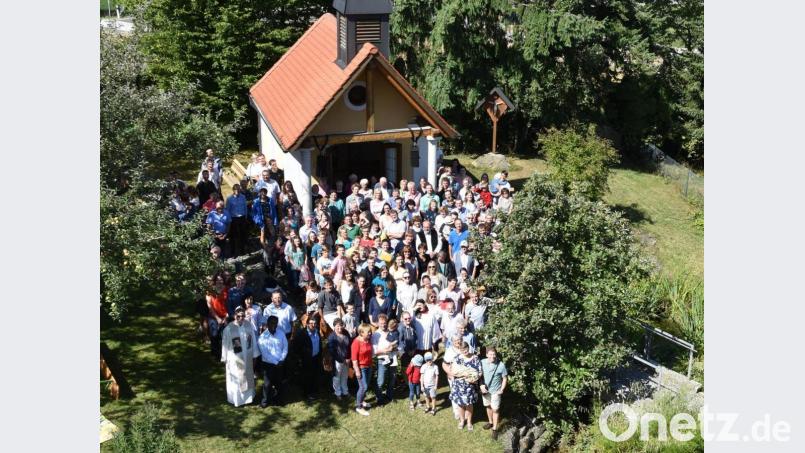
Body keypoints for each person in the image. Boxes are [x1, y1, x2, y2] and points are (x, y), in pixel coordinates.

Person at [221, 306, 261, 407]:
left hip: (247, 357)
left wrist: (255, 354)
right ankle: (237, 400)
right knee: (236, 379)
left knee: (247, 376)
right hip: (234, 359)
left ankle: (248, 399)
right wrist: (224, 358)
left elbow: (253, 342)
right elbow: (224, 344)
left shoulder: (249, 326)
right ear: (234, 316)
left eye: (243, 316)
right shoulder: (228, 329)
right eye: (238, 316)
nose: (241, 318)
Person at [446, 341, 482, 430]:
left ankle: (469, 422)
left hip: (470, 385)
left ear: (468, 348)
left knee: (469, 404)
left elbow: (479, 372)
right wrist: (465, 373)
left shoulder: (475, 358)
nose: (464, 351)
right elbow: (453, 372)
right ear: (460, 350)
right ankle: (462, 421)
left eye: (465, 348)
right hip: (458, 385)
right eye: (462, 349)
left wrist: (473, 377)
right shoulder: (456, 358)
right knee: (460, 404)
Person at [258, 315, 288, 407]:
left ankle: (279, 401)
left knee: (279, 383)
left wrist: (282, 359)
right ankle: (265, 402)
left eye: (275, 323)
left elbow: (285, 347)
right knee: (267, 384)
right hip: (268, 364)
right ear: (267, 324)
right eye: (271, 323)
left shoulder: (281, 334)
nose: (274, 325)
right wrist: (276, 362)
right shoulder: (262, 337)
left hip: (280, 362)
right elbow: (265, 354)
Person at [292, 315, 323, 401]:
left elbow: (319, 344)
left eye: (315, 323)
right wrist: (299, 357)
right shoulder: (302, 334)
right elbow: (295, 347)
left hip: (315, 358)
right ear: (307, 324)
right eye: (311, 323)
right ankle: (306, 394)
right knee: (306, 377)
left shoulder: (317, 332)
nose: (313, 325)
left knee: (314, 375)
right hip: (306, 359)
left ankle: (313, 391)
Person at [480, 346, 508, 439]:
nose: (492, 356)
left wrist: (502, 389)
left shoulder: (501, 365)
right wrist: (481, 385)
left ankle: (495, 429)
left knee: (495, 409)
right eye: (490, 354)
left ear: (496, 355)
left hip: (496, 391)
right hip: (485, 391)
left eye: (494, 354)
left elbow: (504, 378)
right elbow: (479, 374)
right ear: (486, 354)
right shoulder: (482, 362)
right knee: (488, 406)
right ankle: (490, 422)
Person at [371, 314, 397, 405]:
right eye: (381, 323)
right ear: (378, 323)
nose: (383, 325)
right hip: (382, 359)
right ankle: (379, 398)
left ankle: (389, 396)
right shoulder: (375, 335)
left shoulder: (391, 332)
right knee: (381, 381)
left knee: (392, 378)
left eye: (385, 323)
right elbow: (374, 352)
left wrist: (395, 347)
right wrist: (386, 350)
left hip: (392, 358)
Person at [351, 324, 376, 416]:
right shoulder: (356, 342)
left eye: (370, 331)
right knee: (363, 387)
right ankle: (359, 407)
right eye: (368, 332)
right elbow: (354, 359)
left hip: (369, 366)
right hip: (361, 368)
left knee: (365, 386)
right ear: (361, 333)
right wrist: (357, 370)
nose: (370, 333)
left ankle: (362, 401)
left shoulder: (368, 340)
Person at [327, 318, 352, 400]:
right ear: (334, 327)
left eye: (341, 326)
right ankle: (337, 393)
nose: (340, 328)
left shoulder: (346, 333)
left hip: (347, 360)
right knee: (337, 377)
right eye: (337, 326)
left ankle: (345, 391)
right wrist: (342, 360)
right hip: (337, 361)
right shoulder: (332, 337)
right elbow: (332, 351)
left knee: (345, 376)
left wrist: (348, 358)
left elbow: (349, 347)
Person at [226, 184, 249, 257]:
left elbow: (245, 207)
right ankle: (233, 251)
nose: (238, 191)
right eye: (236, 190)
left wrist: (246, 217)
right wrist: (229, 220)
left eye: (239, 190)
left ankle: (242, 250)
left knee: (243, 235)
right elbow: (228, 210)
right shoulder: (229, 199)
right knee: (233, 236)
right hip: (234, 218)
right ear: (233, 190)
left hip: (242, 218)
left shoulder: (243, 197)